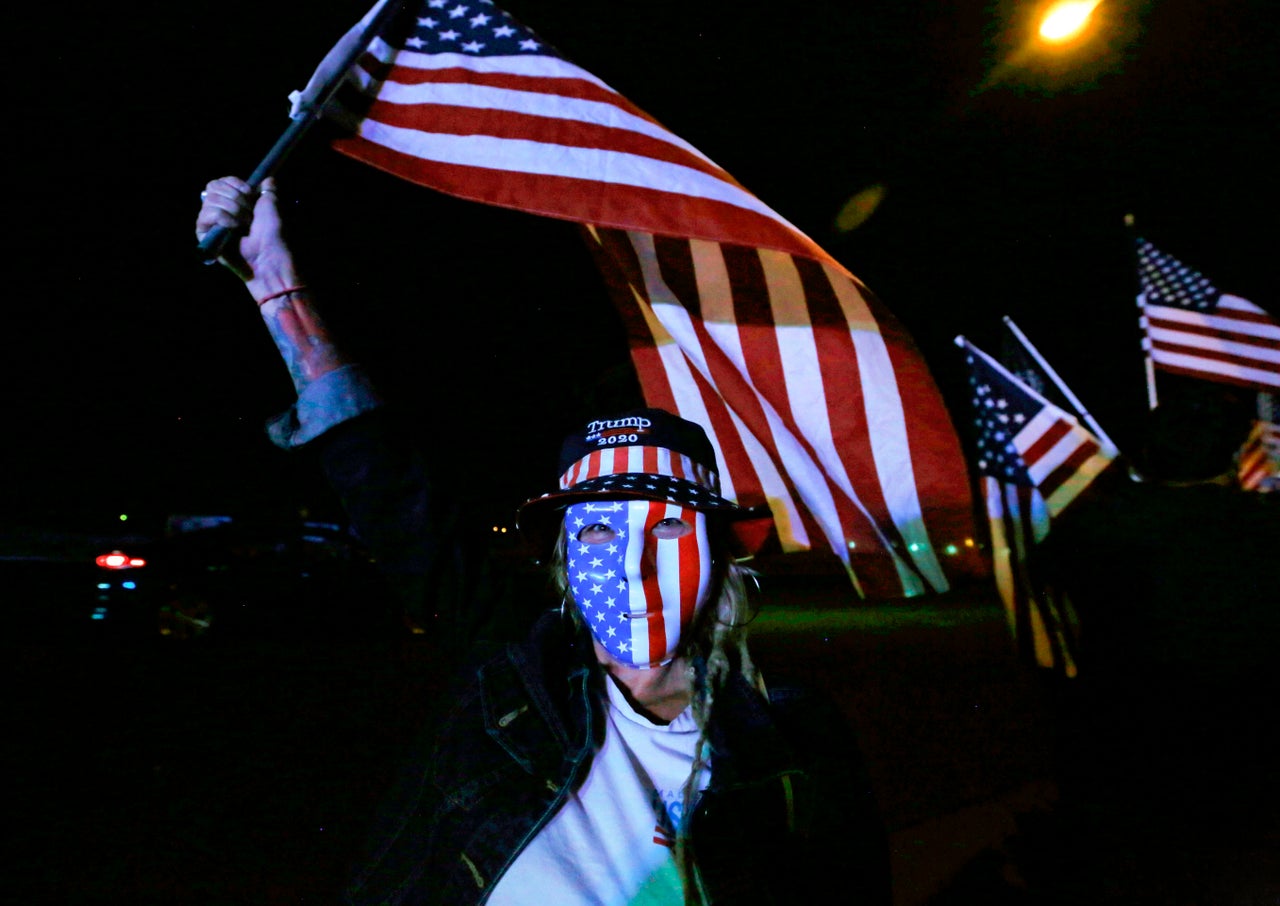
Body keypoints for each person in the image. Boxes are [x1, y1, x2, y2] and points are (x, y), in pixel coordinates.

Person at [196, 176, 893, 905]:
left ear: (720, 556)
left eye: (667, 528)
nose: (632, 567)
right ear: (562, 558)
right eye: (596, 530)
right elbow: (389, 489)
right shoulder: (511, 669)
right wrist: (275, 282)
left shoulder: (793, 740)